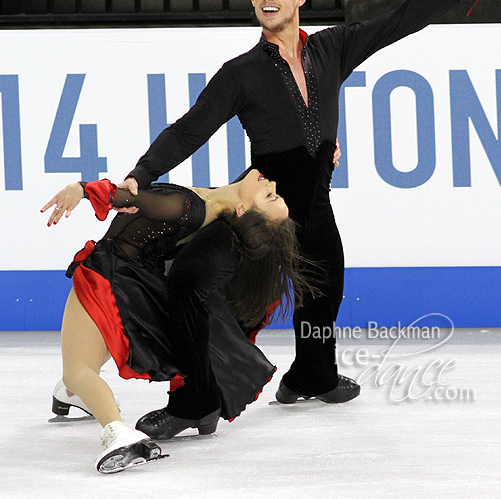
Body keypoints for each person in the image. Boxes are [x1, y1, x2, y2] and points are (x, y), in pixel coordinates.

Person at [117, 0, 501, 431]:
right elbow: (190, 128)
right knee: (192, 281)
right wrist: (142, 173)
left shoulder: (332, 47)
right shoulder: (239, 74)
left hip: (315, 201)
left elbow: (401, 21)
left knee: (325, 290)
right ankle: (194, 401)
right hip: (264, 209)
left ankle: (311, 374)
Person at [41, 171, 306, 473]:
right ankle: (73, 395)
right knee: (82, 362)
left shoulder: (189, 206)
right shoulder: (218, 205)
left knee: (77, 371)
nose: (272, 183)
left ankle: (117, 433)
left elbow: (134, 200)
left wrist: (83, 189)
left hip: (107, 276)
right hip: (138, 285)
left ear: (242, 210)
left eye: (271, 196)